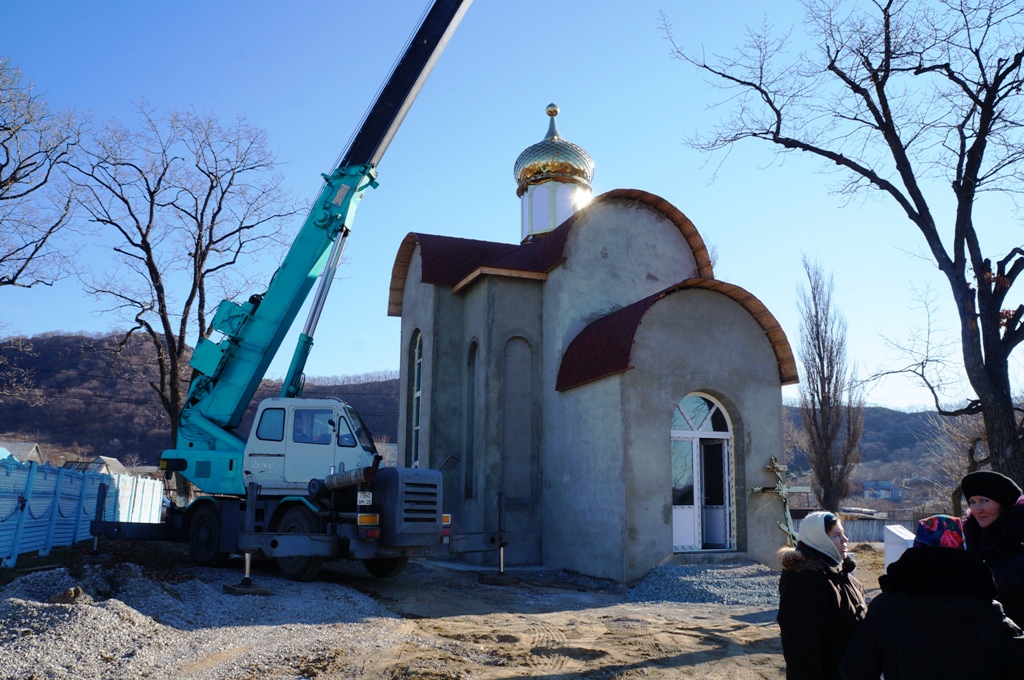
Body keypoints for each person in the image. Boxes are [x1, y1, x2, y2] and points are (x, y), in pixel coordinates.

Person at [840, 515, 1024, 679]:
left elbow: (855, 669)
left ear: (918, 545)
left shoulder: (886, 607)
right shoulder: (988, 610)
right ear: (962, 546)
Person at [777, 511, 866, 679]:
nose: (845, 539)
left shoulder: (842, 574)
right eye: (837, 535)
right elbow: (801, 650)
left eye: (843, 533)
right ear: (820, 540)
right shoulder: (805, 581)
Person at [962, 469, 1024, 626]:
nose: (977, 509)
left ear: (1003, 505)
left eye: (984, 501)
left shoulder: (1019, 552)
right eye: (972, 502)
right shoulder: (968, 550)